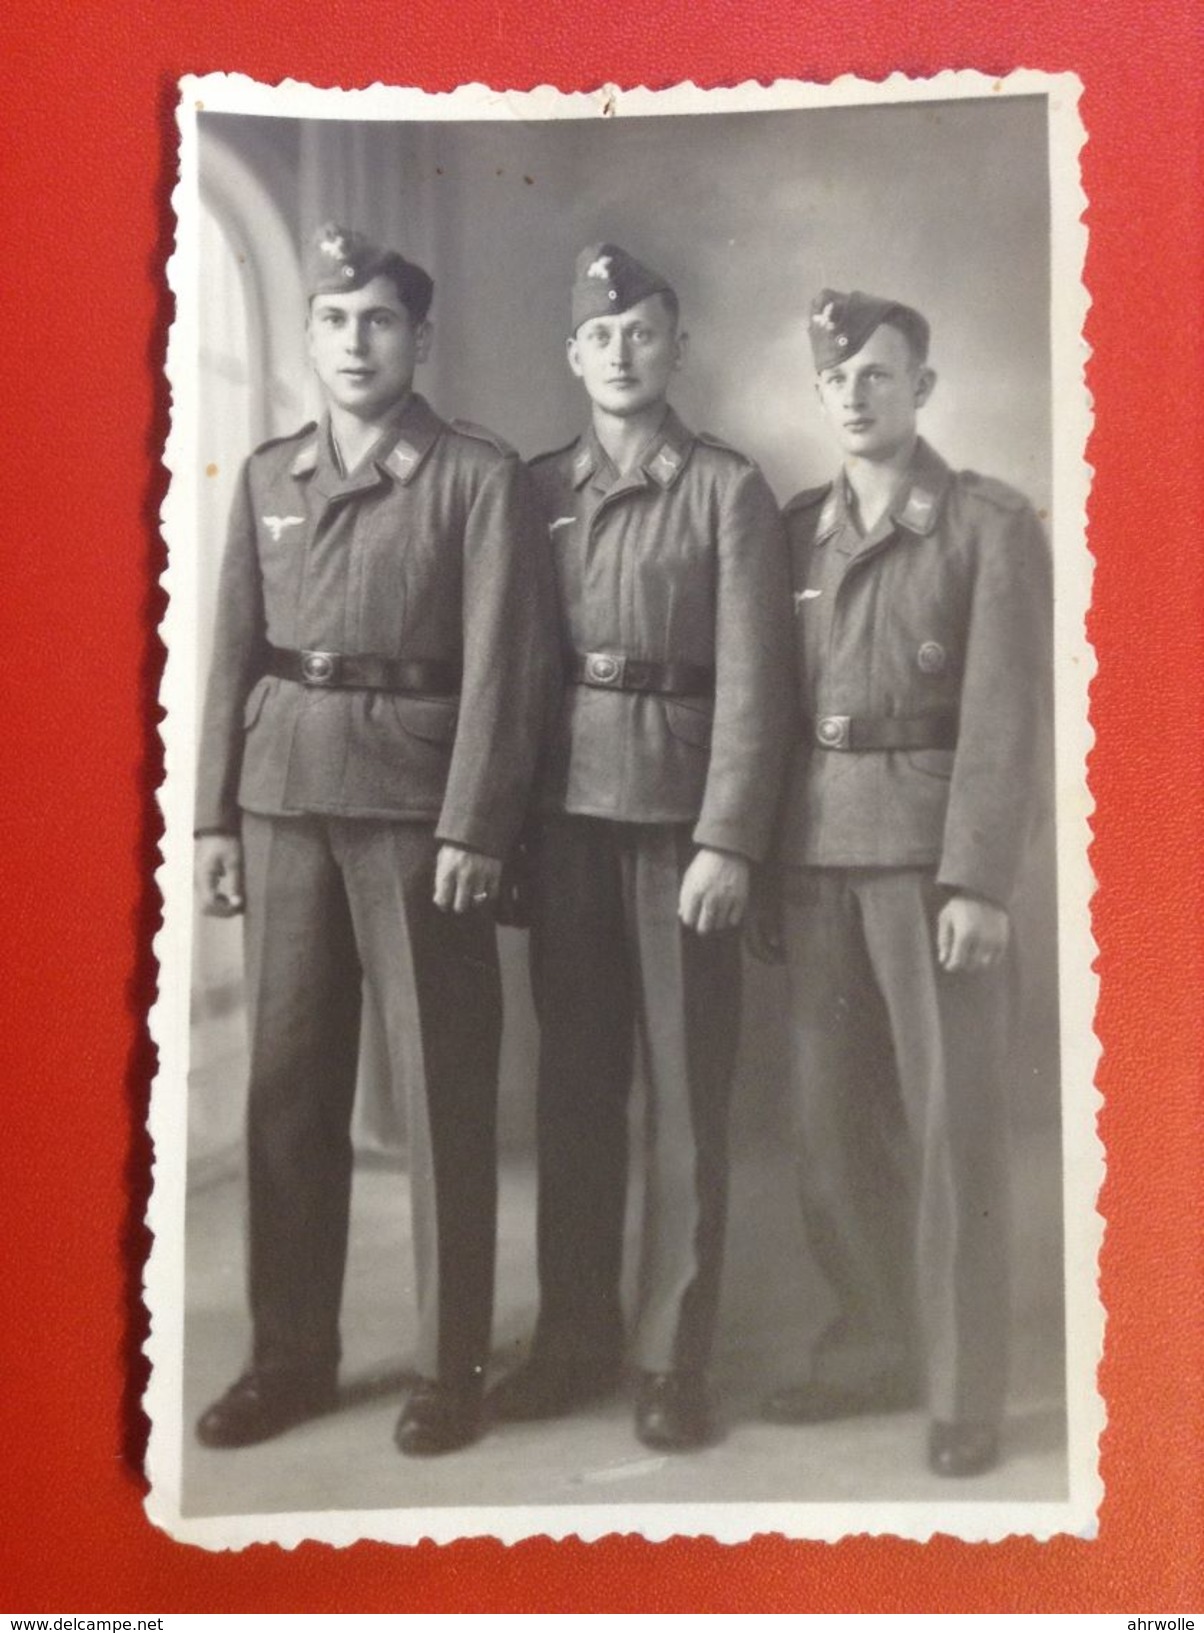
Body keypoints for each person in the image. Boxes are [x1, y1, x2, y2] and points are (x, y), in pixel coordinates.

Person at [192, 223, 555, 1458]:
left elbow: (509, 669)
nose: (356, 343)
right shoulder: (264, 477)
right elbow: (231, 651)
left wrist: (476, 823)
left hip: (416, 817)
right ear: (308, 337)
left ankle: (448, 1366)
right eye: (335, 320)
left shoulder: (473, 475)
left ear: (419, 339)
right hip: (284, 800)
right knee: (287, 1091)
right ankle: (289, 1355)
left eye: (380, 321)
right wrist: (210, 817)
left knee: (441, 1092)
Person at [489, 243, 791, 1450]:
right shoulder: (533, 487)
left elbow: (760, 686)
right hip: (564, 823)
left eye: (644, 334)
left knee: (683, 1097)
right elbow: (509, 669)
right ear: (574, 355)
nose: (622, 354)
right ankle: (574, 1337)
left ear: (678, 349)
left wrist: (728, 839)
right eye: (600, 337)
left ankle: (674, 1354)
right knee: (572, 1092)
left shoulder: (726, 488)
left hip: (677, 827)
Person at [751, 288, 1052, 1477]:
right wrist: (770, 863)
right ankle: (870, 1343)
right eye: (837, 378)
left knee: (950, 1136)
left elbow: (1005, 717)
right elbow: (772, 713)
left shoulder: (985, 524)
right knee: (828, 1130)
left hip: (933, 871)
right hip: (818, 860)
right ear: (818, 394)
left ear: (921, 387)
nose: (856, 394)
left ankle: (962, 1389)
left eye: (880, 374)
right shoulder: (792, 535)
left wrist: (979, 880)